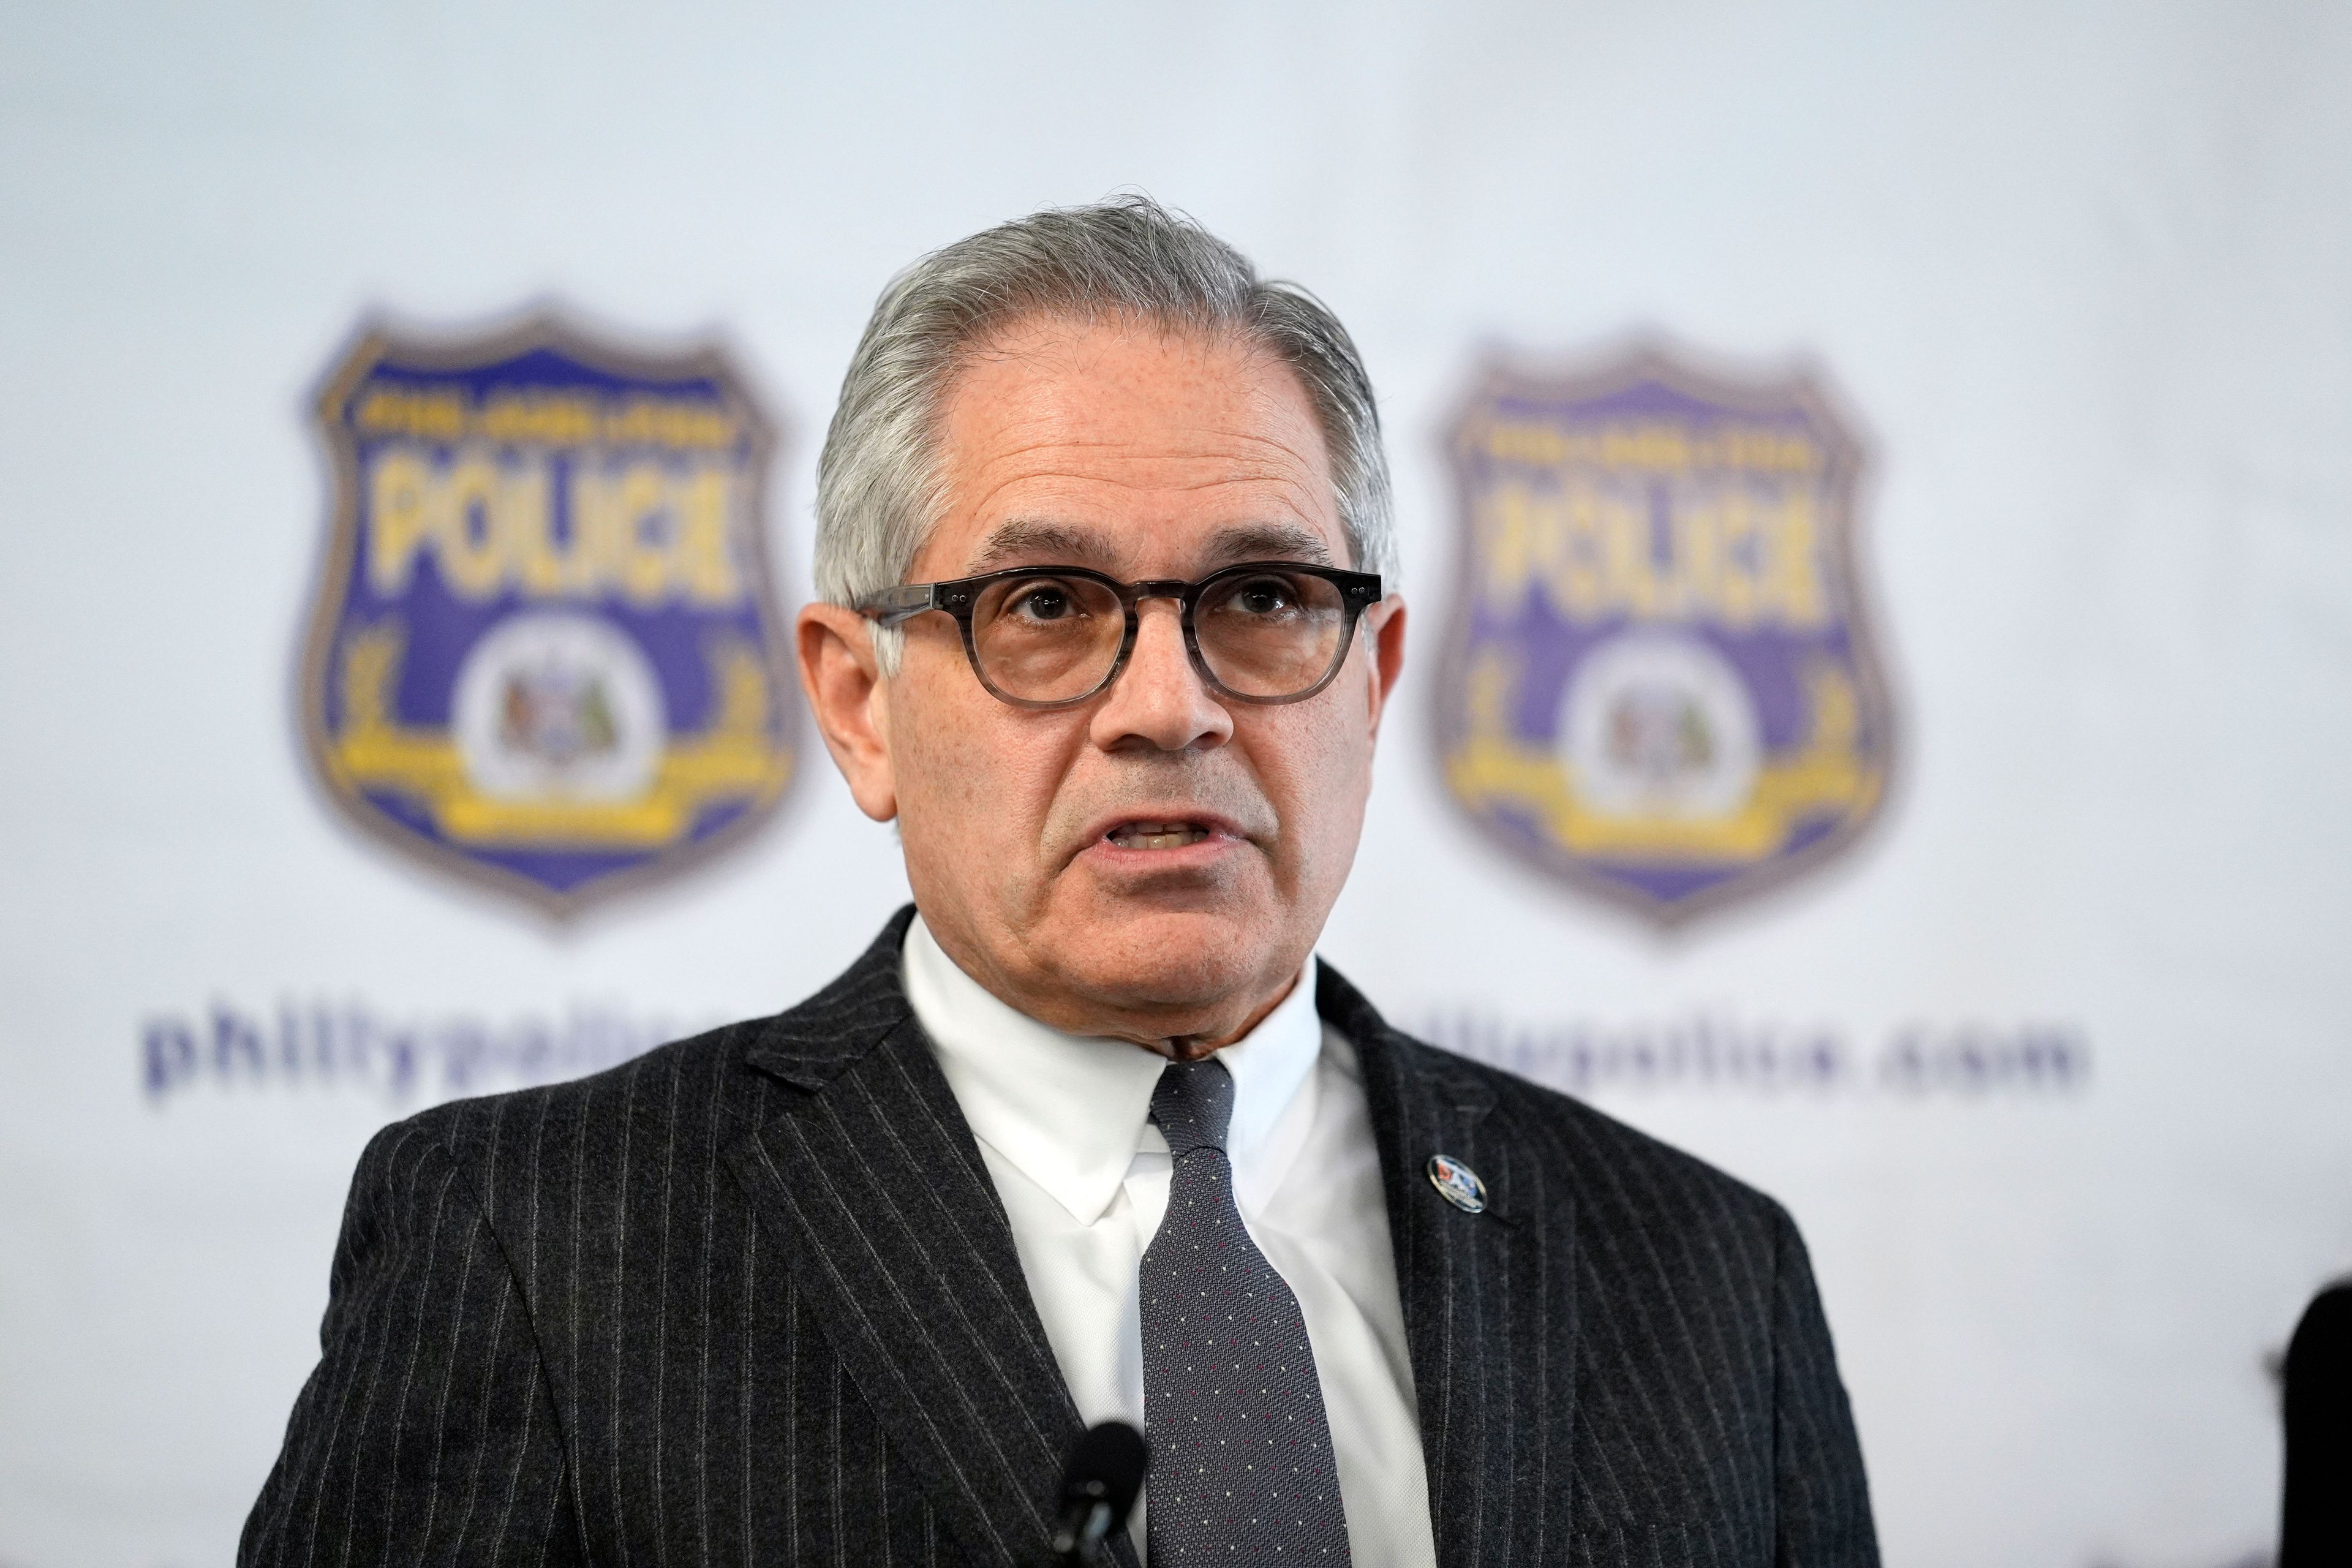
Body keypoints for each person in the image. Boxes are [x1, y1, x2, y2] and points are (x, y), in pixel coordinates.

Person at [241, 197, 1877, 1568]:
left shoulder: (1707, 1276)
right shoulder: (541, 1245)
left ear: (1373, 681)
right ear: (857, 700)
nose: (1171, 705)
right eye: (1044, 604)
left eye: (1259, 594)